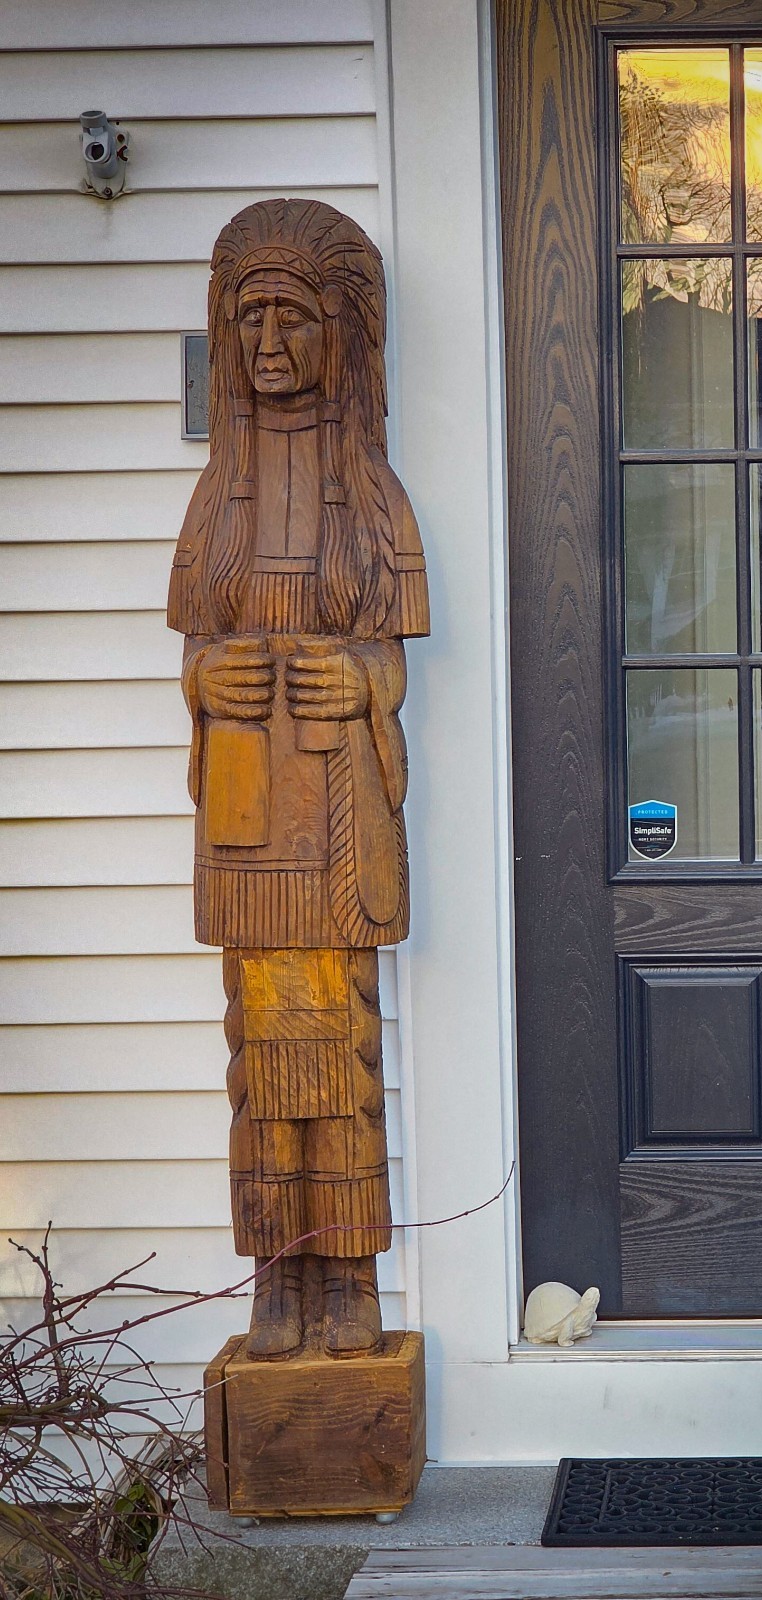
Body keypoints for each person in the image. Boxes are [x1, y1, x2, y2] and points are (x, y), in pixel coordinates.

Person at [167, 200, 429, 1359]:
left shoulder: (369, 495)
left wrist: (360, 678)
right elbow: (195, 646)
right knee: (261, 1056)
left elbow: (391, 658)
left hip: (332, 816)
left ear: (343, 333)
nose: (268, 341)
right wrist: (206, 680)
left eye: (294, 315)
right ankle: (279, 1277)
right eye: (249, 316)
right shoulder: (215, 497)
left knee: (340, 1048)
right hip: (244, 812)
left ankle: (351, 1278)